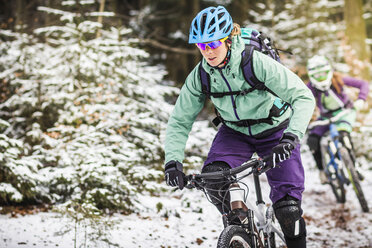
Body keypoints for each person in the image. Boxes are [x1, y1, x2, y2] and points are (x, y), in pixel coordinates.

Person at [164, 6, 315, 248]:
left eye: (212, 44)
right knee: (214, 178)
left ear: (227, 39)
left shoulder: (255, 62)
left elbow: (303, 97)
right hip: (235, 132)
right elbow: (180, 119)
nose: (207, 52)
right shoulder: (200, 75)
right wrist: (173, 161)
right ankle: (240, 229)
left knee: (288, 210)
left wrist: (290, 137)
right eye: (201, 46)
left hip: (275, 129)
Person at [306, 55, 369, 183]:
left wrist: (361, 99)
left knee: (343, 134)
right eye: (317, 75)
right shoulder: (310, 88)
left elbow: (363, 84)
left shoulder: (338, 78)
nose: (321, 77)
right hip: (325, 117)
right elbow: (300, 101)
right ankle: (322, 171)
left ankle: (354, 167)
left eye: (323, 73)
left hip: (344, 112)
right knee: (312, 140)